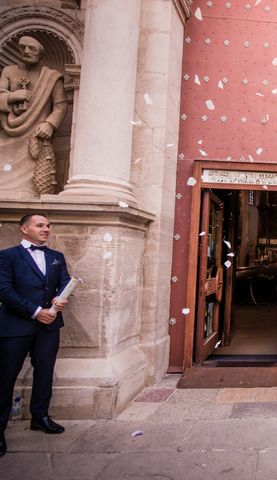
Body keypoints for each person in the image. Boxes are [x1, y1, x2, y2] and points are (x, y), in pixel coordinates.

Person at [0, 213, 71, 457]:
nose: (46, 229)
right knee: (5, 377)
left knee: (45, 373)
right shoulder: (7, 256)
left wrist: (59, 298)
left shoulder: (56, 257)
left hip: (49, 326)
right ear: (24, 229)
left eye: (48, 226)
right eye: (40, 225)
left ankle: (40, 416)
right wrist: (36, 311)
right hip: (16, 327)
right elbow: (4, 290)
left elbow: (64, 282)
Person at [0, 36, 67, 196]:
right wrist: (12, 96)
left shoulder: (52, 77)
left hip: (35, 132)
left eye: (32, 48)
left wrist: (49, 124)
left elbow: (61, 105)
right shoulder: (9, 72)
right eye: (23, 47)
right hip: (7, 130)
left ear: (41, 55)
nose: (26, 51)